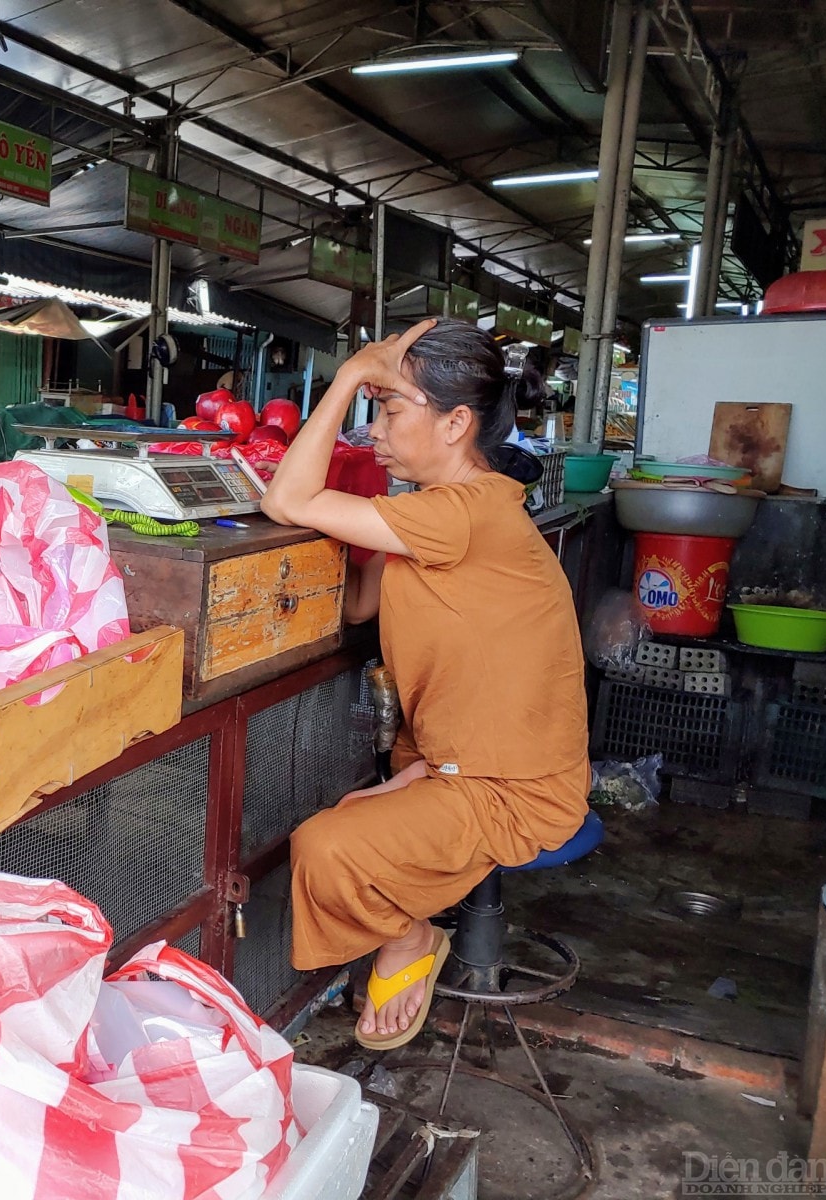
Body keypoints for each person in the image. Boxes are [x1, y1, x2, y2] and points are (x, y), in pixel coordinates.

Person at [260, 318, 589, 1051]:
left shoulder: (461, 514)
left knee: (326, 845)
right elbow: (358, 604)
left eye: (390, 409)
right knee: (351, 814)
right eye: (374, 408)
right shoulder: (445, 510)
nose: (375, 430)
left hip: (514, 786)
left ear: (456, 424)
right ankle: (403, 906)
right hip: (456, 761)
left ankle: (409, 938)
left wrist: (347, 376)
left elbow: (288, 500)